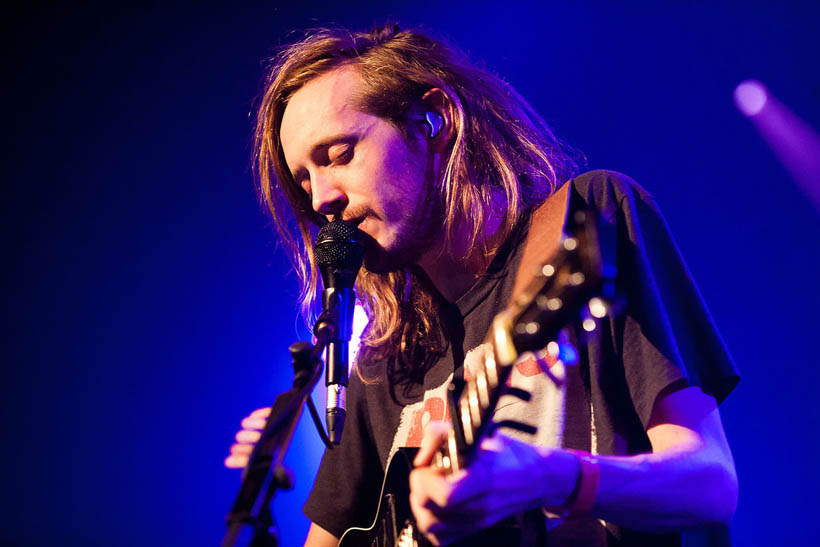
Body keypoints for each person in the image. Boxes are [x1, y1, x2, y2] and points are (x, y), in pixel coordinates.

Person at [225, 23, 740, 546]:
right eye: (304, 179)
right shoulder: (385, 358)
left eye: (338, 155)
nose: (320, 200)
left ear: (435, 121)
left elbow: (710, 484)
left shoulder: (583, 223)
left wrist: (550, 477)